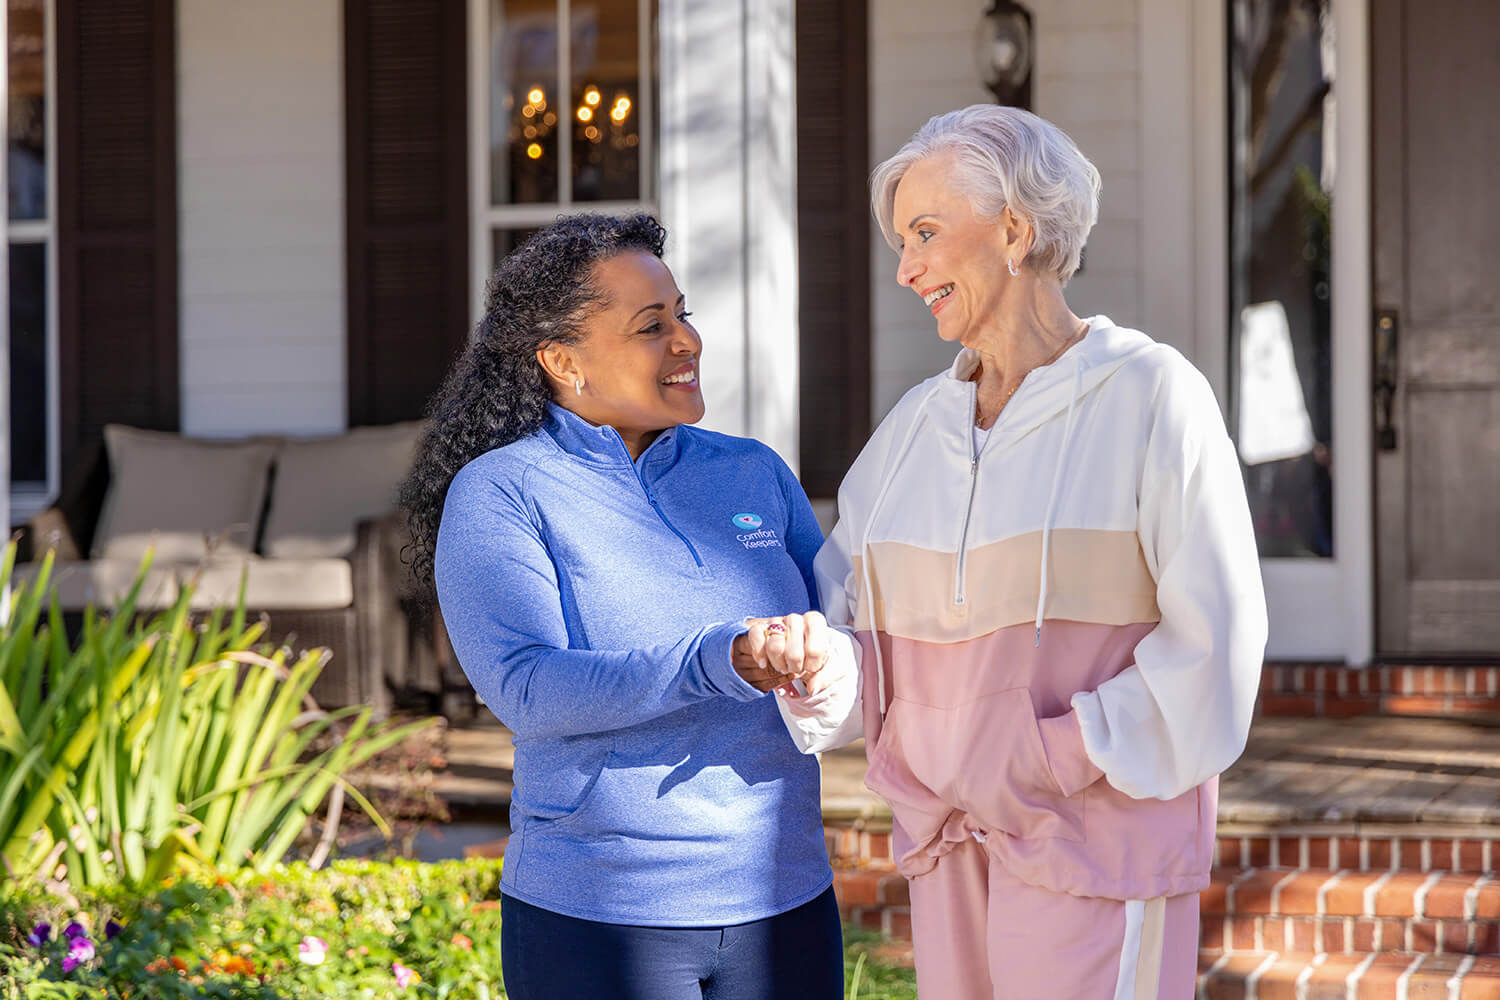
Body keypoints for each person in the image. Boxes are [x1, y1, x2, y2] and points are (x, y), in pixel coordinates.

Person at [791, 106, 1268, 997]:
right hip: (948, 853)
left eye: (926, 233)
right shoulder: (906, 439)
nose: (906, 269)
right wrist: (811, 667)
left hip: (1098, 848)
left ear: (1015, 229)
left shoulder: (1152, 398)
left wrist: (1051, 754)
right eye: (902, 241)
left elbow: (1215, 652)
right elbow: (850, 633)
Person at [400, 213, 855, 1000]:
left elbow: (845, 638)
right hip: (602, 914)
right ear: (562, 361)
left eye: (683, 314)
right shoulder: (505, 492)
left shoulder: (755, 473)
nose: (687, 341)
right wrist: (722, 660)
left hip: (786, 897)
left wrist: (826, 664)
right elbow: (529, 689)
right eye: (653, 326)